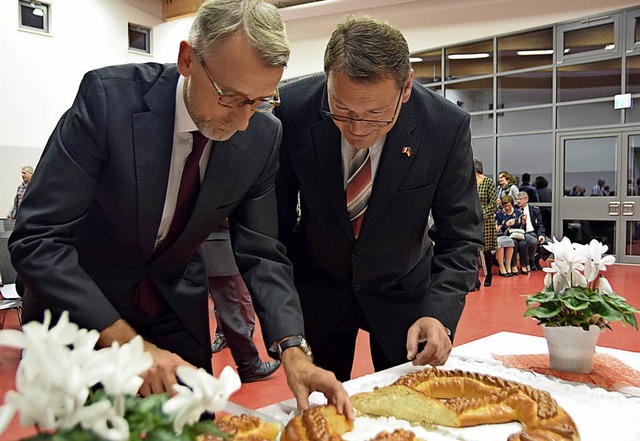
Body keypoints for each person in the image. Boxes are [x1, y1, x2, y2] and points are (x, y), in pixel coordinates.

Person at [8, 0, 351, 416]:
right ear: (187, 59)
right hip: (79, 307)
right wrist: (130, 344)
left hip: (170, 303)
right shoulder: (108, 101)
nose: (242, 122)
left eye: (260, 101)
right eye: (230, 97)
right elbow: (37, 239)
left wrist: (295, 351)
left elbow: (262, 252)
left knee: (194, 421)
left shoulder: (262, 135)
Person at [275, 15, 483, 381]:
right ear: (327, 81)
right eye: (341, 110)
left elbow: (461, 236)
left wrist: (440, 314)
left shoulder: (444, 126)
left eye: (375, 115)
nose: (357, 129)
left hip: (405, 297)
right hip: (318, 292)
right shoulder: (292, 109)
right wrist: (286, 321)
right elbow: (274, 229)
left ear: (405, 89)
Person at [203, 220, 280, 383]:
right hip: (215, 245)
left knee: (226, 303)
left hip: (205, 246)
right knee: (230, 306)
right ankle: (249, 365)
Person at [474, 158, 497, 288]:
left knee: (487, 251)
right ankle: (475, 279)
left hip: (486, 222)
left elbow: (492, 204)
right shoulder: (469, 184)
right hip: (473, 221)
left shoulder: (488, 182)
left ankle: (488, 275)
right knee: (474, 251)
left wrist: (481, 215)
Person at [514, 192, 547, 272]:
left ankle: (537, 259)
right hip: (523, 233)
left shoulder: (535, 210)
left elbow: (540, 224)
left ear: (526, 200)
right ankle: (531, 261)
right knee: (534, 242)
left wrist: (541, 235)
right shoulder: (515, 210)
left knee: (549, 244)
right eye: (517, 199)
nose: (518, 201)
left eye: (520, 199)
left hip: (534, 232)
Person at [495, 196, 521, 277]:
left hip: (515, 234)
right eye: (505, 206)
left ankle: (508, 266)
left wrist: (521, 221)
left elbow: (521, 225)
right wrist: (505, 225)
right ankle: (502, 267)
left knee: (511, 243)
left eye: (509, 206)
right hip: (501, 235)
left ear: (512, 204)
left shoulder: (518, 212)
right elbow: (497, 228)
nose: (507, 208)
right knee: (501, 244)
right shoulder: (498, 214)